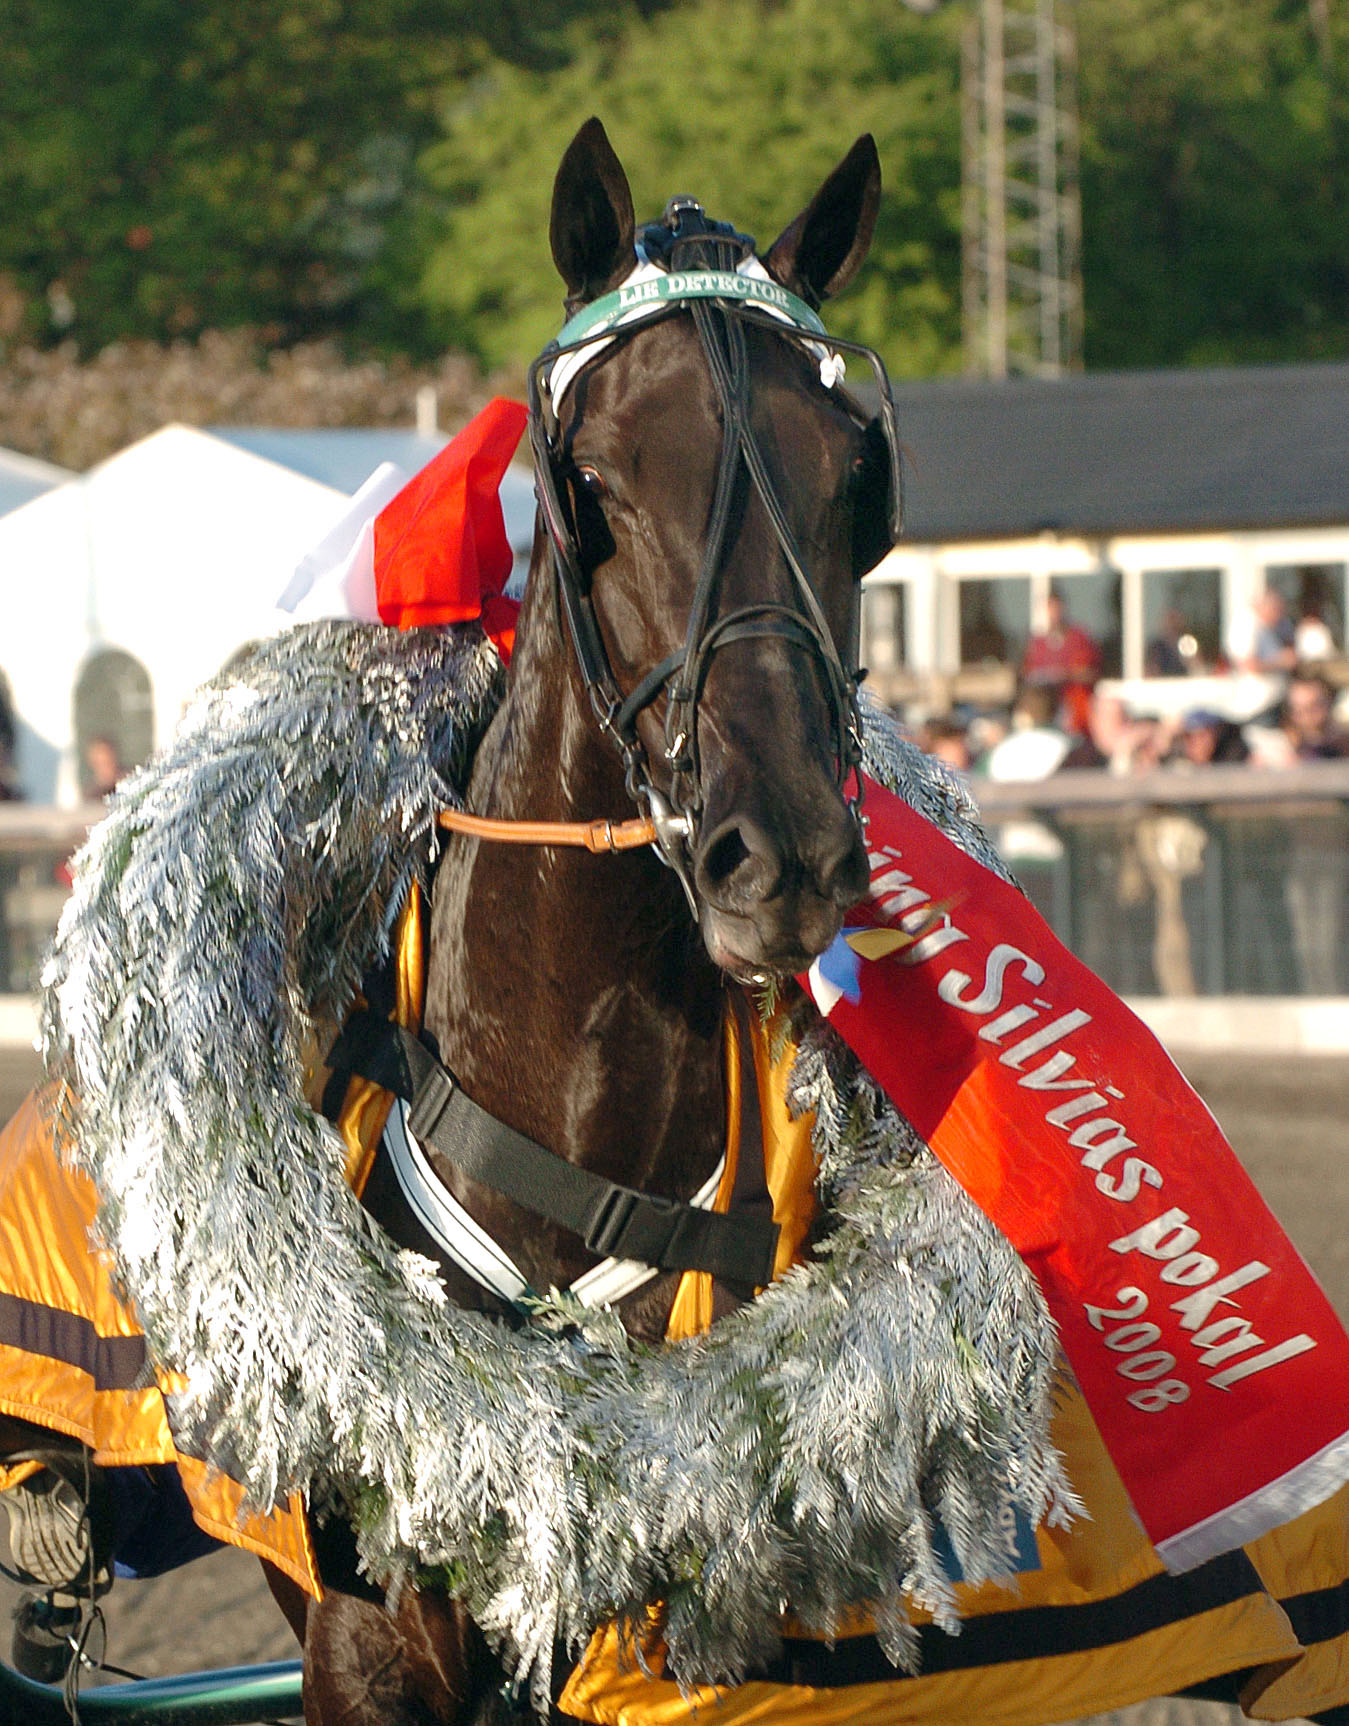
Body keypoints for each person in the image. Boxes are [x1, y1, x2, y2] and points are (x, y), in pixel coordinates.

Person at [1021, 589, 1102, 736]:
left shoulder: (1079, 638)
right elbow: (1029, 674)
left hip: (1076, 709)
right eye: (1049, 609)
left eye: (1055, 608)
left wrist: (1065, 674)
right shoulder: (1038, 643)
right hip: (1047, 711)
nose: (1053, 614)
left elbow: (1091, 672)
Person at [1236, 589, 1297, 675]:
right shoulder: (1246, 627)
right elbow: (1248, 665)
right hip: (1258, 686)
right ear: (1263, 607)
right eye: (1275, 609)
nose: (1279, 615)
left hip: (1281, 684)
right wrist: (1280, 661)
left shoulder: (1282, 624)